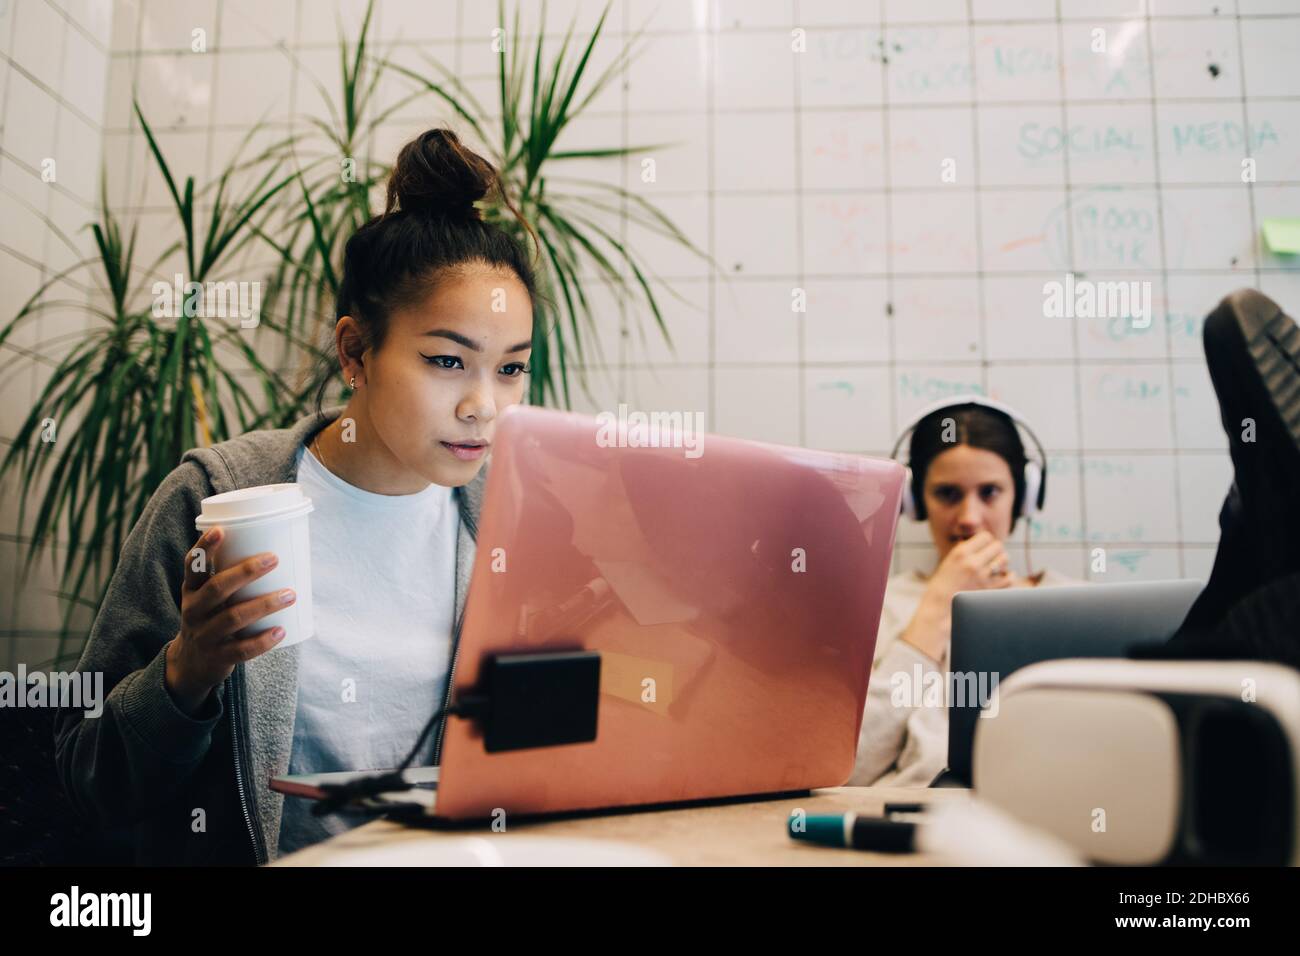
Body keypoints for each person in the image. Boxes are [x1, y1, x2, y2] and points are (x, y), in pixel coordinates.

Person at [53, 128, 542, 865]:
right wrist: (187, 672)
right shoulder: (216, 499)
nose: (485, 406)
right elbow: (89, 782)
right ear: (355, 352)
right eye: (448, 360)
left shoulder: (505, 523)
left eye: (510, 369)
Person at [848, 398, 1082, 787]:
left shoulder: (1077, 607)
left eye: (989, 492)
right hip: (906, 819)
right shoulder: (878, 606)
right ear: (915, 501)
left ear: (1023, 498)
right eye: (948, 494)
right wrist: (937, 607)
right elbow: (851, 767)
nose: (969, 518)